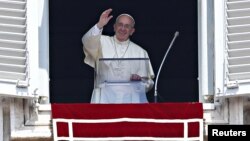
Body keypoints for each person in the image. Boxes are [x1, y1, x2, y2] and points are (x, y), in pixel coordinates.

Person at [82, 8, 155, 103]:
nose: (123, 28)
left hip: (131, 99)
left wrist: (139, 81)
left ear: (132, 31)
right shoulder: (101, 42)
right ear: (114, 27)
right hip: (104, 98)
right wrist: (99, 25)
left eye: (127, 26)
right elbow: (87, 42)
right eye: (120, 25)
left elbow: (148, 83)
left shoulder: (141, 52)